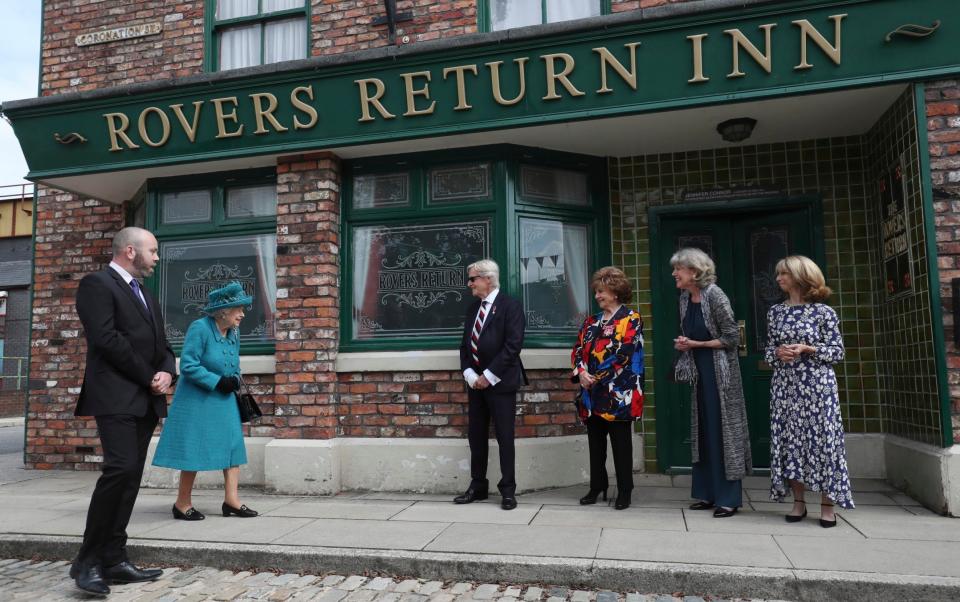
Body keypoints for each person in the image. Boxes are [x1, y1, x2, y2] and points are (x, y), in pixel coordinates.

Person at [71, 227, 175, 595]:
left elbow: (162, 341)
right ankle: (88, 560)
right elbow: (106, 339)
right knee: (118, 470)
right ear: (131, 251)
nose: (157, 258)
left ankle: (114, 559)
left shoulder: (145, 292)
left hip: (144, 398)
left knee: (131, 476)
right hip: (115, 395)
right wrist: (149, 375)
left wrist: (166, 369)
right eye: (154, 251)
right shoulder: (96, 284)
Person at [152, 281, 259, 520]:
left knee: (233, 447)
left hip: (225, 399)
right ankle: (182, 503)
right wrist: (217, 381)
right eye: (239, 309)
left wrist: (233, 382)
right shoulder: (200, 328)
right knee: (194, 450)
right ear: (224, 311)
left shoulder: (234, 332)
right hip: (198, 400)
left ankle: (231, 501)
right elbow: (188, 365)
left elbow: (233, 362)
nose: (242, 314)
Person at [766, 255, 854, 527]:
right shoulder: (775, 312)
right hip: (785, 386)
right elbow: (768, 352)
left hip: (818, 387)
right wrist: (778, 353)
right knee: (790, 442)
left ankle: (828, 506)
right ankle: (798, 503)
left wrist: (808, 349)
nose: (779, 278)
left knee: (824, 443)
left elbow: (837, 352)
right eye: (778, 273)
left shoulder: (824, 313)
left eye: (784, 274)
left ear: (801, 277)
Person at [671, 247, 751, 518]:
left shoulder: (715, 295)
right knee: (703, 432)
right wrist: (685, 343)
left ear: (693, 271)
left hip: (720, 375)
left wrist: (698, 344)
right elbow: (689, 330)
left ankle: (728, 498)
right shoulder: (684, 297)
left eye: (678, 269)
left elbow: (731, 338)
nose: (674, 274)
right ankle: (706, 493)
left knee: (722, 432)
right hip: (699, 372)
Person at [455, 258, 527, 510]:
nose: (469, 284)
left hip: (500, 383)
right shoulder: (473, 309)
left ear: (487, 278)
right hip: (476, 385)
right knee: (476, 436)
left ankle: (508, 489)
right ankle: (478, 486)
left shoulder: (511, 306)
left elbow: (512, 346)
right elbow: (465, 346)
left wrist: (488, 375)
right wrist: (470, 375)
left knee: (505, 437)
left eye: (473, 278)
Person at [571, 266, 644, 510]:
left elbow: (625, 353)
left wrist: (596, 376)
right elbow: (578, 349)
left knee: (621, 445)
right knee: (596, 444)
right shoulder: (591, 322)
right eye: (596, 292)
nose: (597, 296)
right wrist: (581, 373)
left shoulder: (630, 318)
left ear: (614, 291)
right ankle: (597, 486)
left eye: (601, 291)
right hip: (591, 393)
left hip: (619, 393)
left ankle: (625, 490)